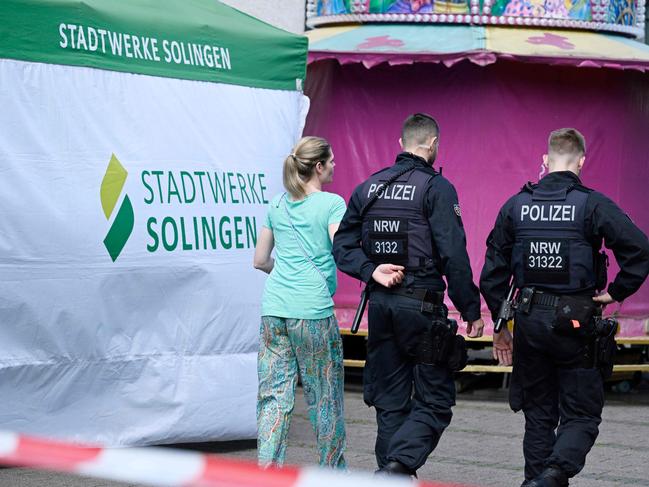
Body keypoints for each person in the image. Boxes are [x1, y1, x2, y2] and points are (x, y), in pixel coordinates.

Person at [480, 128, 649, 487]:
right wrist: (617, 292)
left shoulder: (515, 205)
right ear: (582, 163)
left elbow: (492, 275)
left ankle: (536, 481)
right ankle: (553, 475)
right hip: (576, 321)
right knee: (582, 415)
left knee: (538, 414)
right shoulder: (592, 204)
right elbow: (640, 249)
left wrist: (501, 325)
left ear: (545, 160)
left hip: (529, 320)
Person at [332, 113, 485, 477]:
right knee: (435, 401)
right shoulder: (436, 188)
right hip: (422, 309)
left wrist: (371, 270)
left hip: (381, 307)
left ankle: (390, 471)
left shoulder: (369, 187)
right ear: (433, 145)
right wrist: (471, 310)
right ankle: (397, 469)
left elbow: (342, 246)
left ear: (401, 144)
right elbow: (453, 253)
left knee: (390, 401)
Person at [253, 136, 347, 468]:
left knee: (273, 399)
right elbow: (342, 249)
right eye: (331, 160)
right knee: (325, 398)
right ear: (318, 167)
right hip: (313, 311)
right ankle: (333, 475)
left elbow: (260, 260)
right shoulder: (332, 204)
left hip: (273, 309)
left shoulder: (277, 205)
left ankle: (267, 474)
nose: (335, 165)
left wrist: (287, 273)